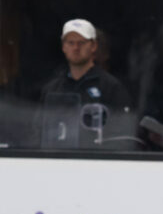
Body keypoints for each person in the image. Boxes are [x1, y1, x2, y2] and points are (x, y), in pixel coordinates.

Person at [37, 18, 135, 149]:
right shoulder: (52, 89)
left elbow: (123, 137)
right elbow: (37, 131)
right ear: (63, 47)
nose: (76, 48)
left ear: (93, 46)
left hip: (96, 163)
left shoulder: (112, 87)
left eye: (81, 43)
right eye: (70, 43)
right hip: (56, 162)